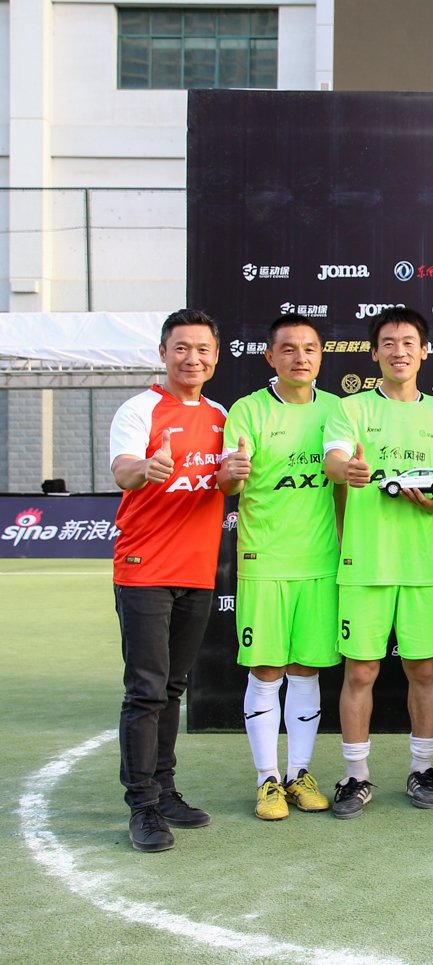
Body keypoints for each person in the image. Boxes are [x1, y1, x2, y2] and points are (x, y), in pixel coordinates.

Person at [322, 306, 433, 818]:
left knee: (422, 670)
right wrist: (349, 470)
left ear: (424, 351)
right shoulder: (350, 408)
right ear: (374, 352)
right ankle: (356, 776)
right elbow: (334, 460)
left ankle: (423, 769)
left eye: (408, 343)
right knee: (360, 673)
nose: (398, 352)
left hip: (421, 566)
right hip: (365, 564)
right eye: (388, 343)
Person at [109, 308, 231, 852]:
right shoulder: (139, 409)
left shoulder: (221, 415)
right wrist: (146, 469)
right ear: (163, 353)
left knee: (174, 687)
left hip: (197, 572)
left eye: (202, 349)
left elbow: (228, 479)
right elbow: (123, 468)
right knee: (146, 690)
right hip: (144, 570)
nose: (192, 358)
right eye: (181, 348)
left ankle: (164, 788)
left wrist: (232, 476)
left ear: (216, 356)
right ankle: (142, 805)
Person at [219, 313, 342, 821]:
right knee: (268, 670)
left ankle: (299, 774)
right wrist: (231, 474)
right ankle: (267, 779)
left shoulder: (336, 410)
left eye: (309, 348)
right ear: (270, 356)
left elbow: (343, 487)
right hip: (264, 560)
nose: (300, 357)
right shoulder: (247, 410)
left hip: (320, 562)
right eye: (288, 349)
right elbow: (229, 484)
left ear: (321, 356)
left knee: (306, 669)